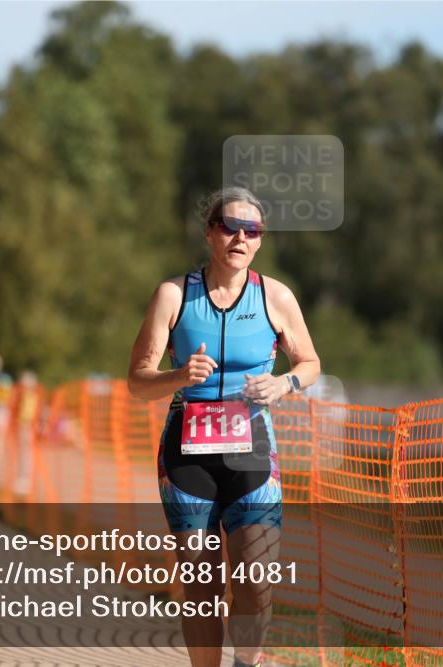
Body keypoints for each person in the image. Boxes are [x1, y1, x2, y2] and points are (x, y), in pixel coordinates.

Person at [128, 186, 321, 667]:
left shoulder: (275, 296)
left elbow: (310, 362)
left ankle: (246, 661)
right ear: (210, 233)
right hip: (187, 453)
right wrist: (178, 376)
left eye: (251, 230)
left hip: (252, 450)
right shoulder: (174, 295)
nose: (240, 238)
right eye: (230, 227)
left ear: (260, 239)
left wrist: (284, 383)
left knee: (256, 578)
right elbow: (137, 381)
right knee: (200, 583)